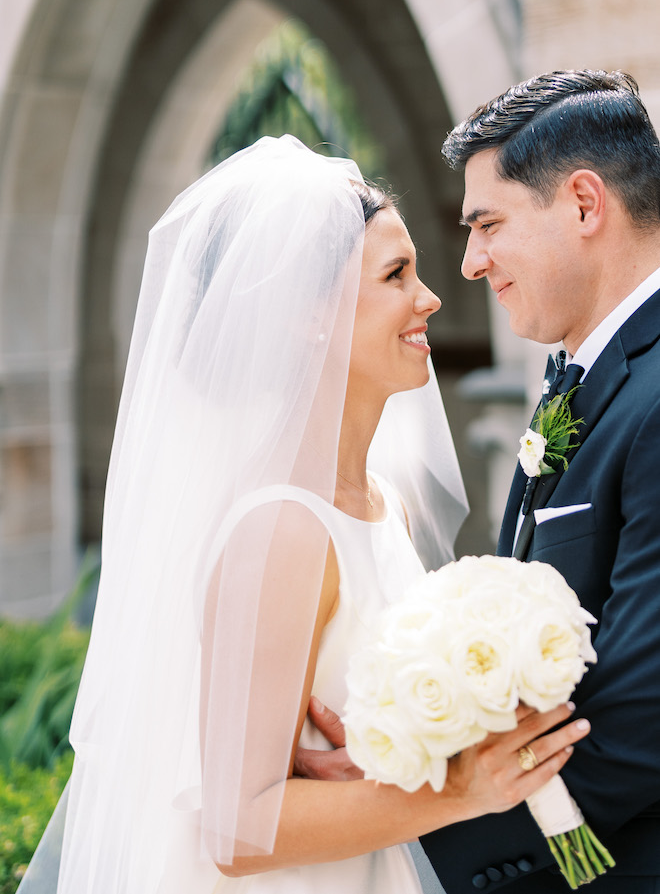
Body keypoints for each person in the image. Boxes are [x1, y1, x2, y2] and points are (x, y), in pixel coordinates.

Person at [17, 136, 586, 894]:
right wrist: (456, 791)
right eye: (396, 275)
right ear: (308, 315)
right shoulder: (281, 528)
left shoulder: (387, 505)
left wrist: (411, 756)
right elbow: (233, 827)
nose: (431, 300)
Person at [300, 70, 660, 893]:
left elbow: (641, 725)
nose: (469, 264)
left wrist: (413, 833)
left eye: (487, 224)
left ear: (582, 204)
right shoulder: (582, 376)